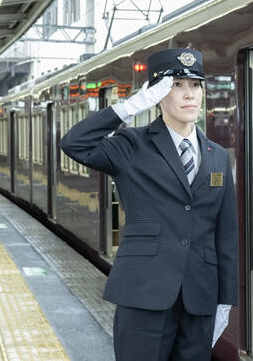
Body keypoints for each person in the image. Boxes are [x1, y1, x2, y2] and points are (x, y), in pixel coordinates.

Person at [60, 48, 238, 360]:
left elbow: (226, 233)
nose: (188, 95)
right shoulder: (132, 145)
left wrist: (226, 299)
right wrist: (129, 107)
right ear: (156, 93)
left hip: (201, 296)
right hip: (144, 292)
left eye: (195, 85)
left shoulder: (217, 155)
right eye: (176, 86)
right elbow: (74, 144)